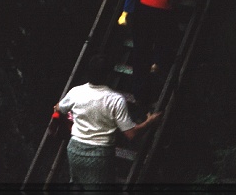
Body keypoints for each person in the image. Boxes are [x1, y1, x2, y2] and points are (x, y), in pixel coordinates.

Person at [55, 53, 162, 186]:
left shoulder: (76, 92)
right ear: (108, 74)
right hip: (98, 156)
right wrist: (149, 122)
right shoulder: (115, 100)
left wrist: (70, 126)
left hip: (74, 149)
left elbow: (57, 108)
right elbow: (131, 133)